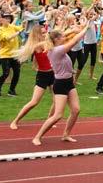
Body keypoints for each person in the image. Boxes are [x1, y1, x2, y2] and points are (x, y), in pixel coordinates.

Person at [32, 18, 92, 146]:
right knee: (58, 115)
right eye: (62, 37)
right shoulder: (57, 50)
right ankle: (37, 136)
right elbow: (75, 40)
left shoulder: (58, 49)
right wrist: (85, 28)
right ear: (57, 40)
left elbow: (63, 63)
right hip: (60, 85)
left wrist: (71, 71)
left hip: (69, 82)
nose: (64, 38)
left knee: (76, 110)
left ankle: (66, 134)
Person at [10, 24, 55, 130]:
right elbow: (42, 49)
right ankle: (15, 121)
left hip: (53, 74)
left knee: (56, 100)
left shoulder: (46, 43)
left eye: (46, 32)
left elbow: (39, 58)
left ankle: (49, 120)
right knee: (34, 102)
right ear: (37, 35)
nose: (46, 34)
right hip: (43, 76)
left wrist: (35, 65)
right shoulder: (38, 45)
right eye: (43, 33)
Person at [0, 13, 23, 97]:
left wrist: (24, 24)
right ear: (1, 20)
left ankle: (11, 90)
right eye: (6, 18)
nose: (8, 20)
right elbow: (7, 38)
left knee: (17, 72)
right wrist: (17, 33)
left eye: (9, 18)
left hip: (14, 54)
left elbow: (21, 28)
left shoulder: (12, 26)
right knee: (6, 73)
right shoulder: (0, 30)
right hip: (5, 55)